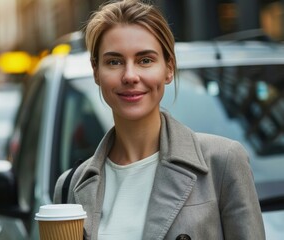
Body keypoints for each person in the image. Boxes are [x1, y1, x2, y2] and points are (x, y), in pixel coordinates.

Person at [53, 0, 265, 239]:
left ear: (169, 68)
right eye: (114, 61)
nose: (130, 76)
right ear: (96, 72)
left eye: (145, 60)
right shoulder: (70, 186)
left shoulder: (223, 163)